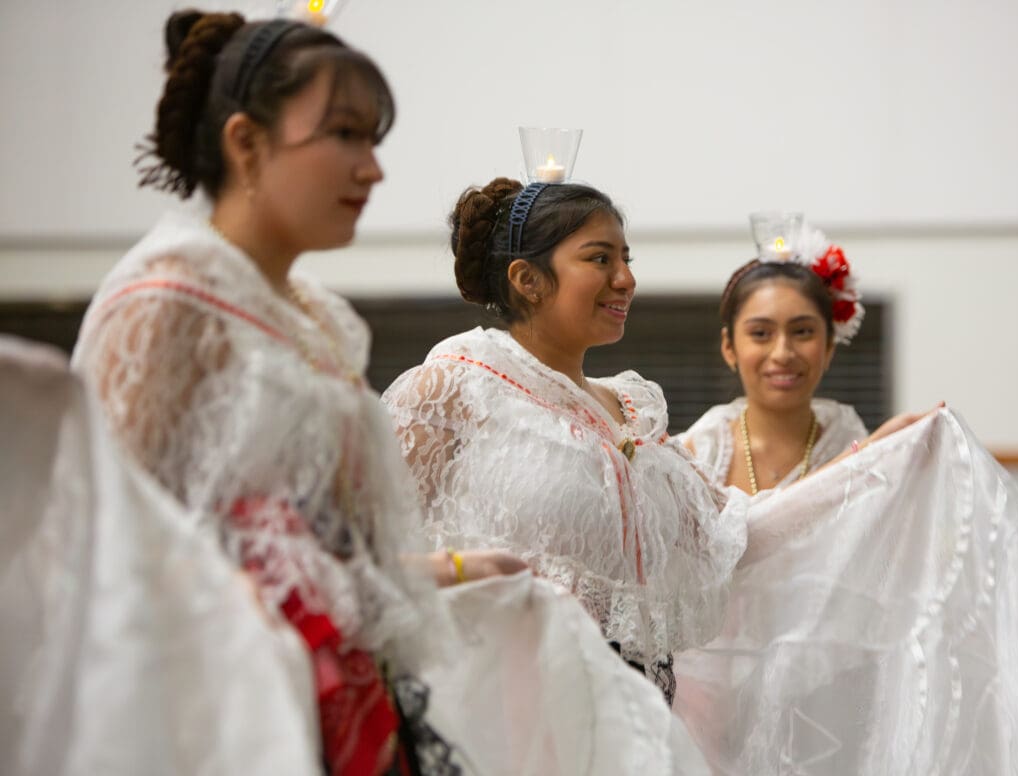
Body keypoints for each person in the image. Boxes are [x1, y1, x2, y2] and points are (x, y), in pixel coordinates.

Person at [63, 11, 701, 776]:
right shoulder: (164, 304)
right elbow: (106, 555)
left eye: (374, 140)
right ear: (246, 142)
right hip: (218, 717)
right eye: (344, 137)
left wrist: (461, 571)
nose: (373, 169)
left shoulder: (314, 320)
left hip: (344, 702)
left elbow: (340, 552)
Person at [383, 178, 1018, 773]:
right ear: (527, 278)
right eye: (600, 258)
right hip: (502, 724)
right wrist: (466, 575)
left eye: (626, 257)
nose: (626, 278)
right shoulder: (453, 390)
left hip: (633, 727)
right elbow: (358, 551)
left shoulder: (633, 413)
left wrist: (872, 463)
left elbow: (735, 535)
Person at [680, 231, 869, 492]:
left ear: (828, 347)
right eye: (760, 333)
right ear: (729, 347)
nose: (782, 353)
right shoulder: (696, 458)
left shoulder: (860, 455)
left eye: (802, 331)